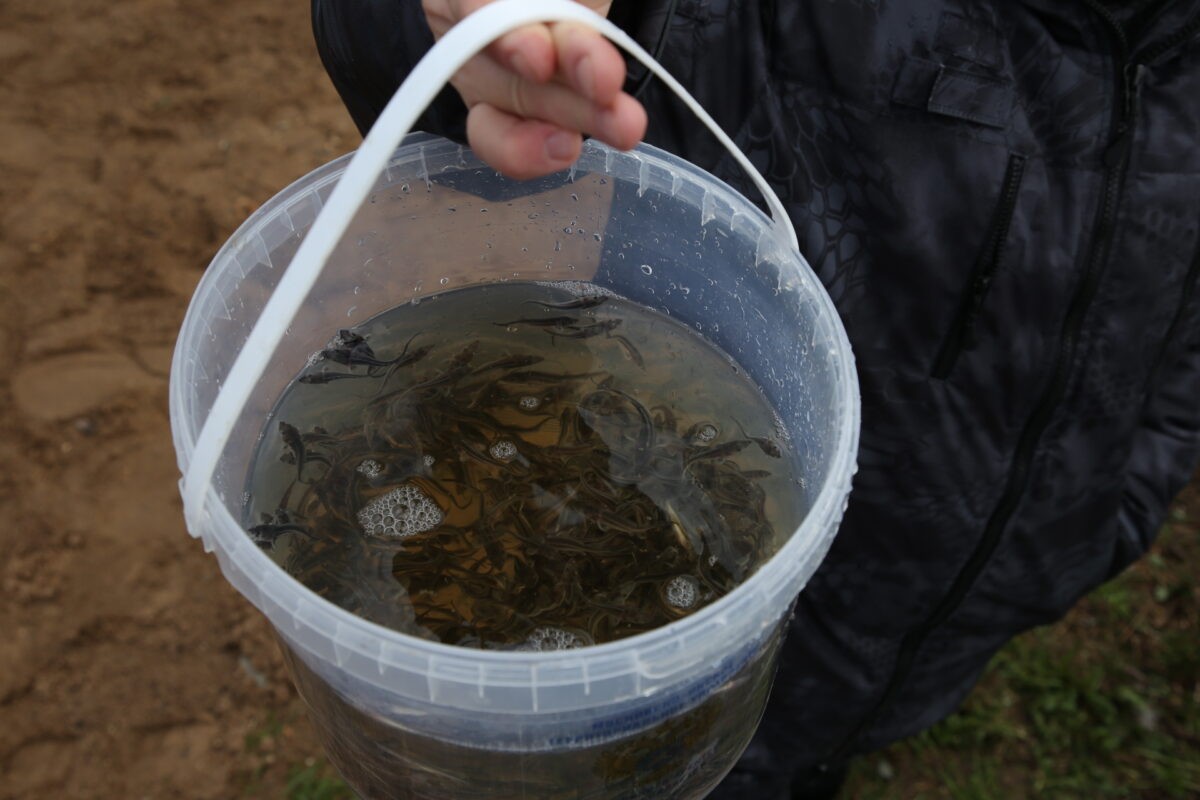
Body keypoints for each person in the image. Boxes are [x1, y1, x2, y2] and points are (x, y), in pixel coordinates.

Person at [311, 1, 1200, 797]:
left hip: (949, 604)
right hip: (655, 595)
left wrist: (1109, 510)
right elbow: (437, 63)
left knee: (798, 748)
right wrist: (465, 30)